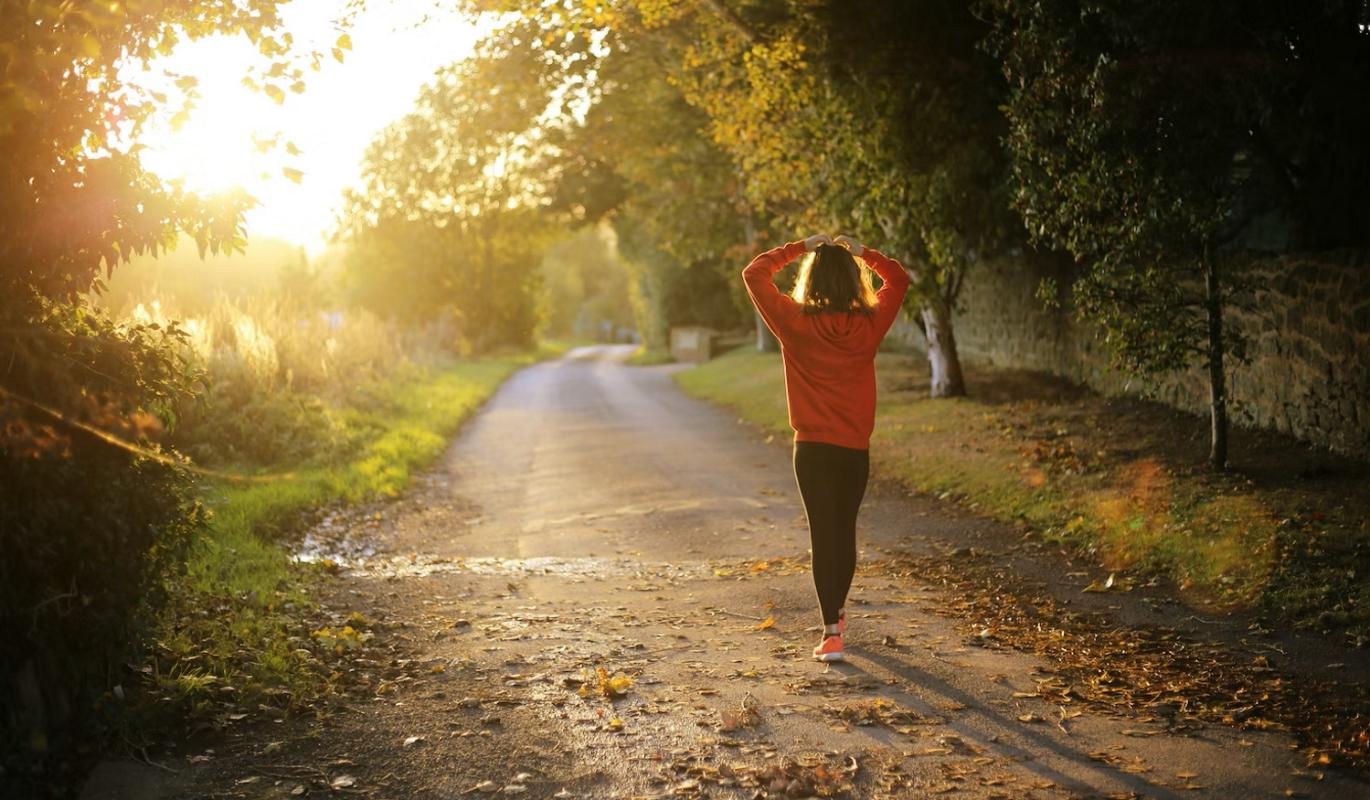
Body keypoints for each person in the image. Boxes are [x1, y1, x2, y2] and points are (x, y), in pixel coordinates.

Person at [742, 233, 911, 662]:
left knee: (823, 534)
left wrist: (800, 246)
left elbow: (754, 273)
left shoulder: (794, 321)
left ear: (810, 279)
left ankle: (831, 632)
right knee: (844, 531)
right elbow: (899, 278)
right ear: (854, 282)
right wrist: (863, 253)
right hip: (854, 449)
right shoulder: (870, 324)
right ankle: (836, 614)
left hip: (812, 449)